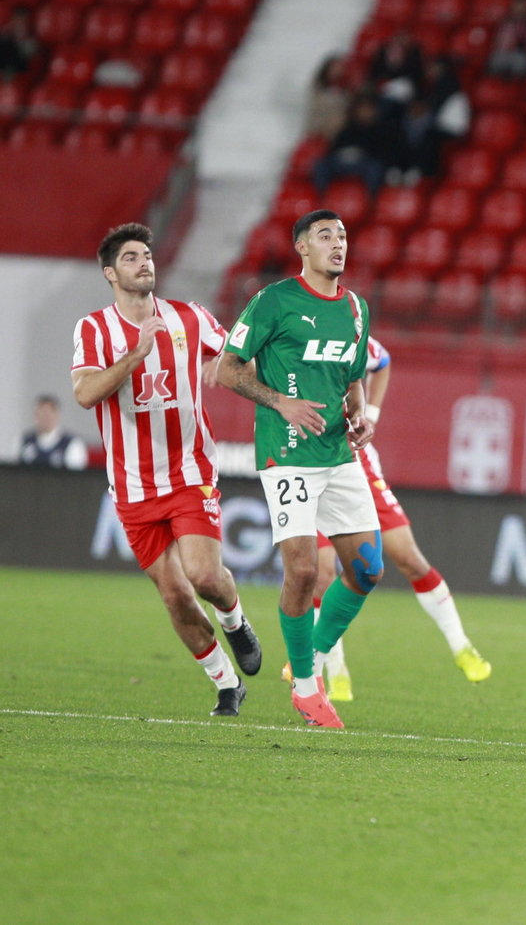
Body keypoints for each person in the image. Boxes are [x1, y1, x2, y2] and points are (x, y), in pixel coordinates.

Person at [70, 223, 261, 716]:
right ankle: (226, 684)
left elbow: (238, 360)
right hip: (133, 487)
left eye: (148, 255)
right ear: (110, 272)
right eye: (132, 258)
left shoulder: (190, 318)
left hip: (189, 472)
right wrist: (135, 354)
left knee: (202, 575)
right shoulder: (94, 329)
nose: (145, 263)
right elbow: (87, 393)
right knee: (175, 596)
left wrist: (232, 372)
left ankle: (236, 621)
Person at [216, 210, 384, 729]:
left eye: (343, 236)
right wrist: (280, 403)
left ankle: (303, 658)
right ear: (302, 249)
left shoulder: (356, 308)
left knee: (367, 568)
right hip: (286, 452)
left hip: (337, 453)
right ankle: (308, 689)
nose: (338, 244)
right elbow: (226, 369)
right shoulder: (274, 301)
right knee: (305, 570)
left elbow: (352, 376)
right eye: (325, 236)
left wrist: (358, 414)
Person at [278, 336, 491, 700]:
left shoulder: (348, 325)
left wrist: (370, 414)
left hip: (355, 463)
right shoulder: (284, 327)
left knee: (409, 559)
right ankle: (334, 672)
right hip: (306, 462)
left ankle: (461, 646)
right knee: (322, 575)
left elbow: (383, 360)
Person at [18, 394, 88, 469]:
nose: (44, 418)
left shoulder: (72, 444)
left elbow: (77, 477)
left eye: (48, 414)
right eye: (40, 414)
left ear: (57, 415)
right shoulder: (24, 441)